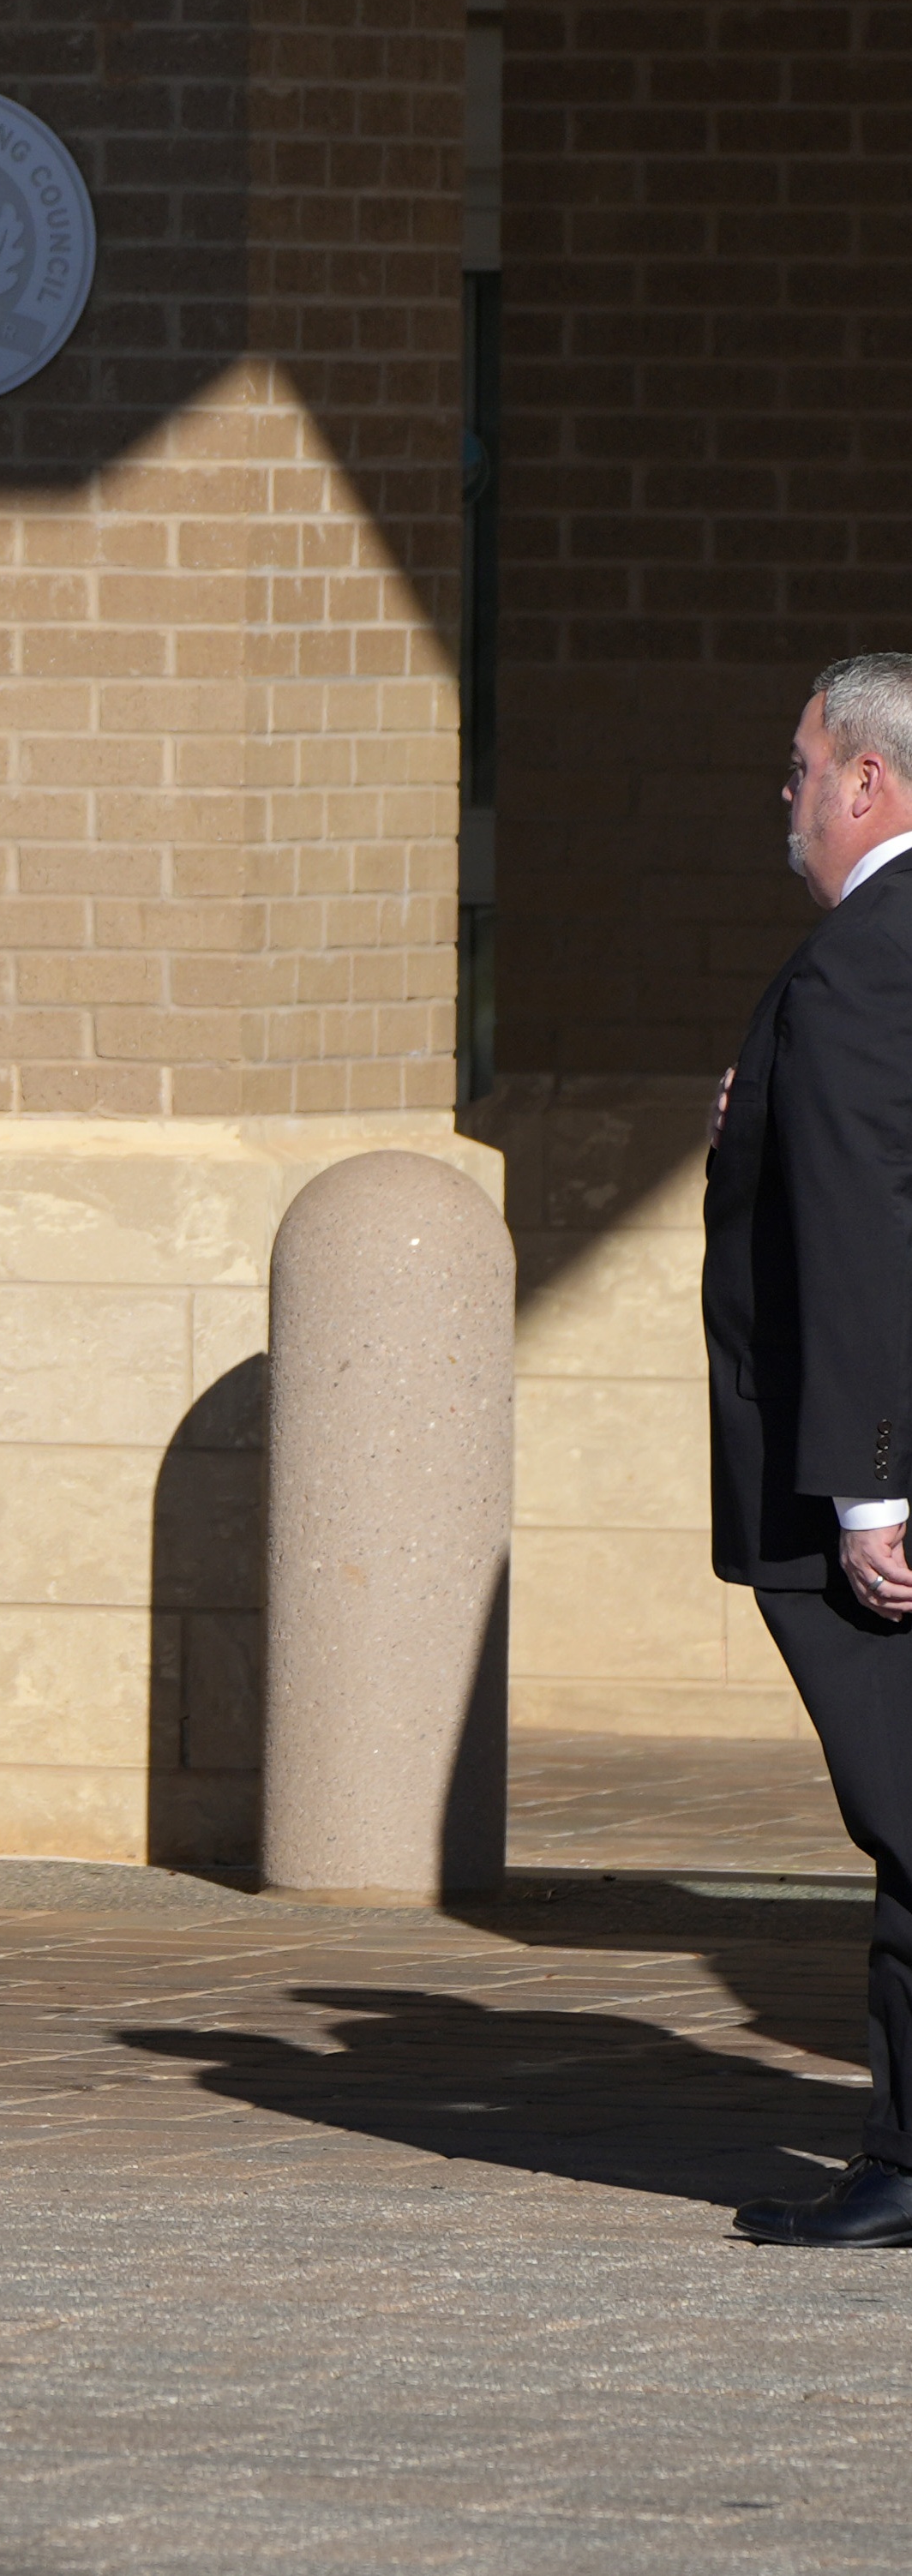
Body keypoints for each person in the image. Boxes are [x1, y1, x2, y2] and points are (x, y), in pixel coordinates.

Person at [717, 657, 912, 2247]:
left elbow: (860, 1235)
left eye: (798, 769)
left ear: (867, 778)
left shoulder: (862, 963)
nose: (782, 799)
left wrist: (871, 1490)